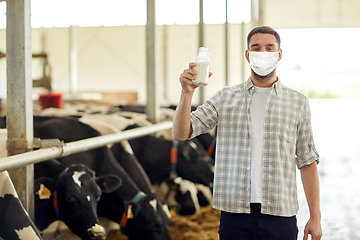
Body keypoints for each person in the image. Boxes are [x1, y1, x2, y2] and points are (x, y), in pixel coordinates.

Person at [172, 26, 322, 240]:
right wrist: (187, 93)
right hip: (235, 214)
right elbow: (181, 132)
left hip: (281, 213)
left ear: (279, 54)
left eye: (269, 48)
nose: (263, 53)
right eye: (256, 48)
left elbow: (307, 161)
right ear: (247, 55)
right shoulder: (225, 98)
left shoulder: (297, 102)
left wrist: (315, 216)